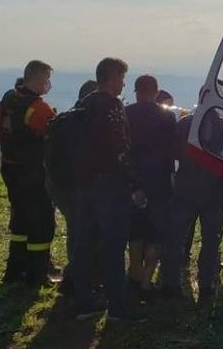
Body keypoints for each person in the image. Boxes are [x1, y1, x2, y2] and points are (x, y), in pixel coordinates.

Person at [70, 58, 146, 321]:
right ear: (113, 78)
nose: (124, 83)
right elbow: (121, 148)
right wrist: (135, 185)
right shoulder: (112, 106)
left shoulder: (84, 103)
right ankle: (118, 307)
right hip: (111, 186)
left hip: (85, 184)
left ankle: (84, 302)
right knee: (114, 247)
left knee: (84, 244)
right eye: (122, 78)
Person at [0, 60, 56, 286]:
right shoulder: (39, 108)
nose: (48, 84)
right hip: (33, 172)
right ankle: (37, 274)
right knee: (41, 222)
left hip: (10, 168)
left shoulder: (9, 98)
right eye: (47, 80)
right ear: (38, 79)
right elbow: (51, 138)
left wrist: (9, 146)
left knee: (19, 219)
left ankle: (16, 269)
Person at [161, 111, 223, 302]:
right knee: (211, 241)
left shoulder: (184, 122)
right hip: (214, 191)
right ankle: (206, 285)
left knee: (175, 239)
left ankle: (171, 284)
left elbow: (172, 152)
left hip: (186, 188)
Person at [45, 79, 99, 294]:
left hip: (58, 185)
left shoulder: (64, 119)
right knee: (83, 233)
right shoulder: (87, 121)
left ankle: (79, 275)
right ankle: (77, 279)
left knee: (76, 230)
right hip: (78, 186)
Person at [125, 75, 176, 300]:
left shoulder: (126, 114)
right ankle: (147, 279)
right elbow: (169, 152)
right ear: (156, 92)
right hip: (159, 181)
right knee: (156, 233)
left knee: (135, 231)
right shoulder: (167, 117)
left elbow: (124, 150)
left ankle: (133, 274)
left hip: (133, 181)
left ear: (136, 91)